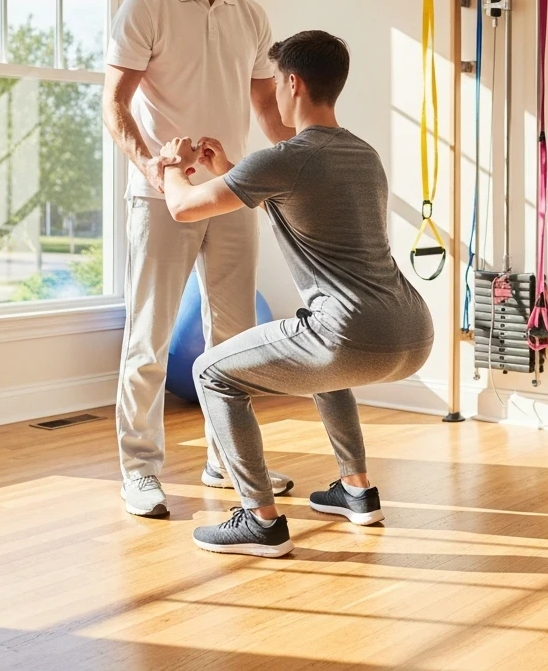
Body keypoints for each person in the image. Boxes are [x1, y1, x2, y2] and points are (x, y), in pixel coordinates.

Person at [159, 30, 435, 557]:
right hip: (411, 331)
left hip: (347, 332)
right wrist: (229, 171)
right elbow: (300, 210)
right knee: (326, 372)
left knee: (209, 373)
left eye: (275, 86)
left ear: (292, 83)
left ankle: (259, 519)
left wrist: (173, 165)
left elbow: (183, 208)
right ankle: (357, 491)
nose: (272, 98)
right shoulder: (364, 154)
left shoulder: (286, 156)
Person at [104, 0, 295, 519]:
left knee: (234, 336)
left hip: (230, 193)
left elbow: (267, 107)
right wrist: (157, 174)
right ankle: (140, 469)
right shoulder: (147, 7)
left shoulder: (250, 14)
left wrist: (301, 162)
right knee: (150, 336)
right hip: (163, 196)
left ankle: (226, 460)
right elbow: (113, 106)